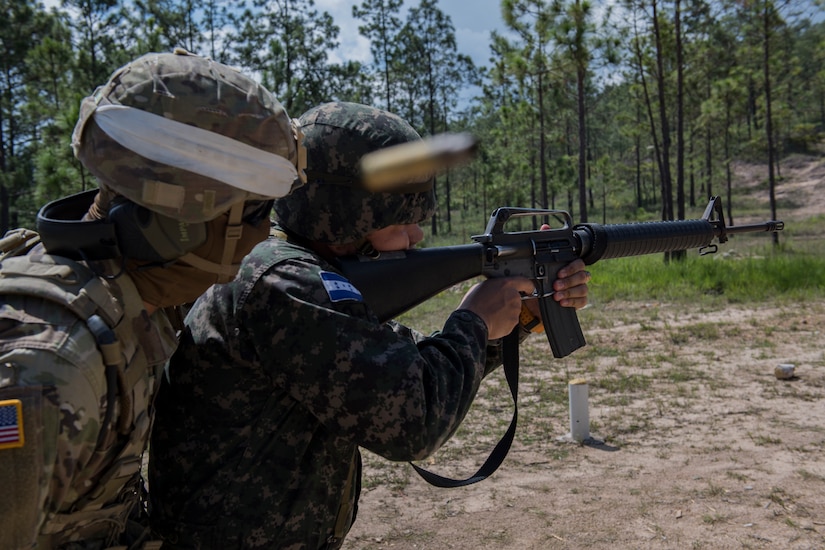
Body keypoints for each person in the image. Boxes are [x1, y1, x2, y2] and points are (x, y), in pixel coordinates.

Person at [147, 101, 590, 549]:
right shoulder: (285, 284)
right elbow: (412, 418)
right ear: (343, 216)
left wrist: (519, 313)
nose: (416, 237)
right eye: (401, 221)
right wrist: (474, 322)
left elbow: (394, 367)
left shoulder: (299, 272)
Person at [0, 49, 301, 549]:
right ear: (178, 227)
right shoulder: (47, 368)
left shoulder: (129, 293)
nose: (264, 231)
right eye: (255, 211)